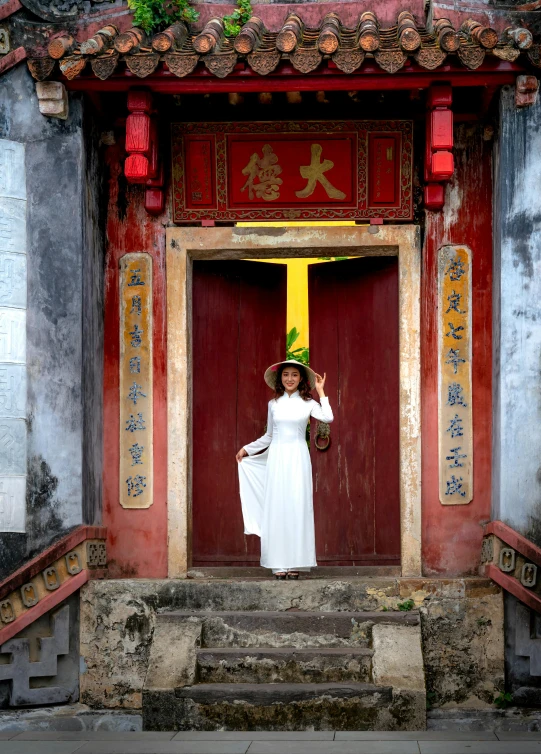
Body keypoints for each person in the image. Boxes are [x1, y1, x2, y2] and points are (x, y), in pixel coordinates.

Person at [236, 359, 334, 580]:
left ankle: (296, 561)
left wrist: (321, 391)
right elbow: (269, 436)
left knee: (297, 506)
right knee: (277, 506)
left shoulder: (308, 403)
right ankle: (278, 562)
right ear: (280, 379)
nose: (290, 379)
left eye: (294, 375)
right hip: (277, 458)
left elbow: (328, 417)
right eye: (286, 375)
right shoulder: (274, 404)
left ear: (301, 379)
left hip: (298, 457)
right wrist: (247, 449)